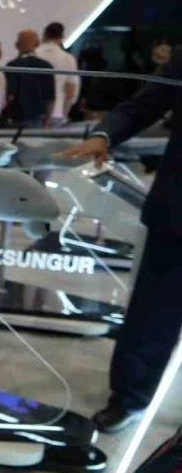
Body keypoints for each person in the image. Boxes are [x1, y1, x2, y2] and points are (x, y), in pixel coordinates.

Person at [58, 47, 181, 433]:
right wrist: (104, 134)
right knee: (153, 313)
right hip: (177, 212)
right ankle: (129, 398)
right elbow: (146, 103)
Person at [1, 29, 56, 129]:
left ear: (17, 45)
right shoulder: (45, 66)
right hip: (37, 118)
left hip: (15, 117)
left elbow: (9, 96)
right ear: (37, 44)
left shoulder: (12, 65)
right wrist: (47, 120)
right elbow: (50, 97)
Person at [35, 22, 79, 126]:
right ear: (62, 36)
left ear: (44, 34)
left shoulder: (35, 53)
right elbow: (71, 90)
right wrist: (64, 115)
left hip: (33, 111)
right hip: (57, 111)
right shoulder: (68, 58)